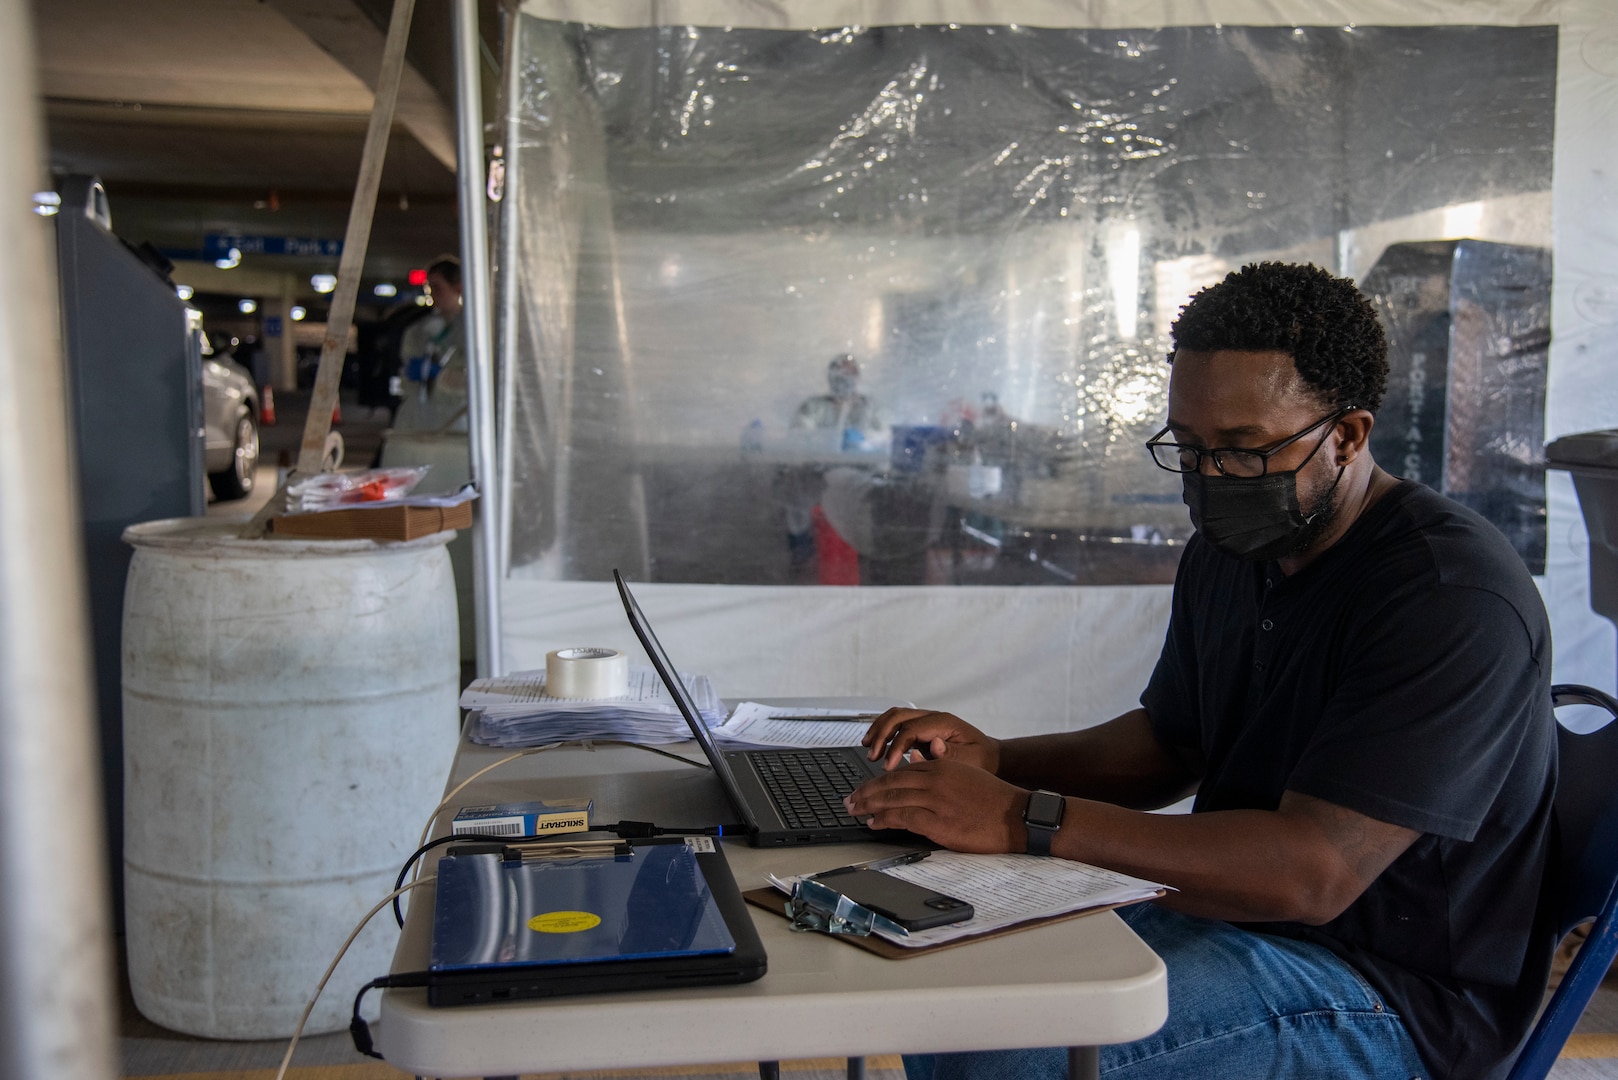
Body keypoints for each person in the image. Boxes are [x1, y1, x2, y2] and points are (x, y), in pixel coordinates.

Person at [846, 262, 1556, 1080]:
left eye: (1244, 451)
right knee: (942, 981)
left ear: (1349, 436)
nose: (1211, 477)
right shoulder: (1238, 550)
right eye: (1188, 446)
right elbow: (1170, 745)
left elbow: (1309, 875)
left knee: (1003, 1053)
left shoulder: (1447, 596)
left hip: (1383, 988)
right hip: (1239, 920)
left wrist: (1023, 817)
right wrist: (997, 761)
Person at [391, 255, 466, 436]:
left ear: (458, 288)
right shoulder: (418, 330)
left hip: (458, 421)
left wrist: (440, 375)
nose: (431, 294)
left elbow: (475, 382)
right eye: (428, 288)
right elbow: (406, 377)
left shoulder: (474, 331)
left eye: (437, 288)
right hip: (421, 418)